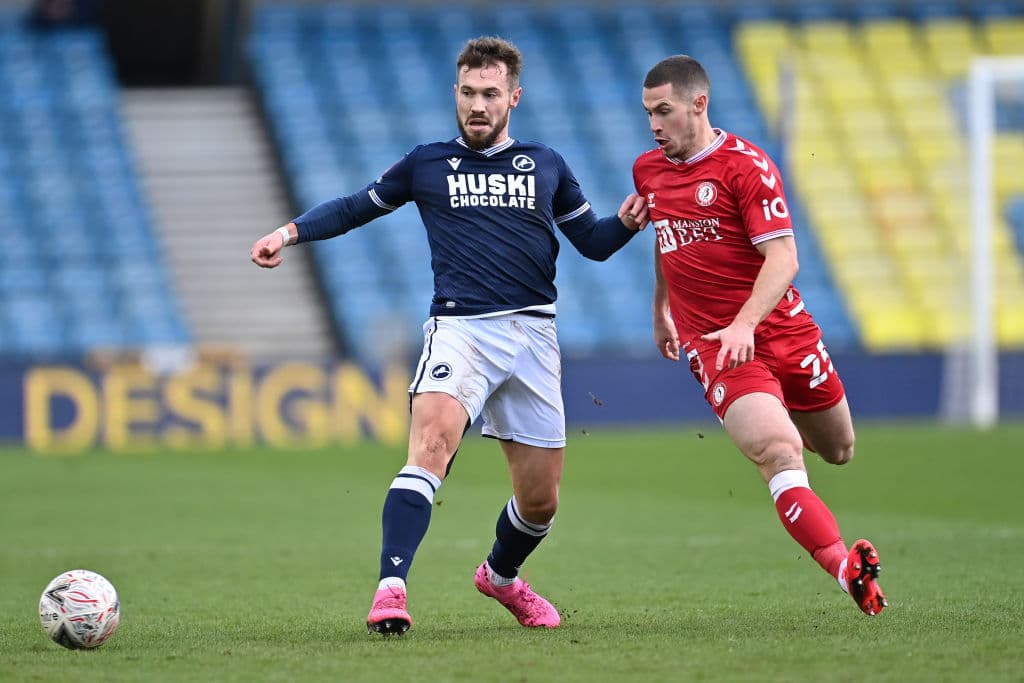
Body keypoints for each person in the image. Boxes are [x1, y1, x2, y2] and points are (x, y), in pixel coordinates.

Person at [251, 36, 648, 634]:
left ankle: (501, 578)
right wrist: (289, 233)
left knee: (540, 502)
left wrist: (625, 222)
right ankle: (391, 589)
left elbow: (590, 244)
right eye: (468, 93)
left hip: (534, 336)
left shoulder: (545, 164)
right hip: (459, 330)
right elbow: (357, 206)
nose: (478, 105)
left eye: (490, 94)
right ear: (455, 94)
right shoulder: (428, 163)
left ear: (514, 97)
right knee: (430, 446)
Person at [632, 55, 887, 616]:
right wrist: (661, 308)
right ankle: (848, 569)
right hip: (717, 345)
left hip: (782, 329)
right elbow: (667, 236)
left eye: (663, 111)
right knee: (778, 449)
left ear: (699, 103)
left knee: (838, 449)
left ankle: (772, 403)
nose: (653, 124)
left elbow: (785, 257)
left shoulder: (747, 167)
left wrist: (749, 321)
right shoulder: (648, 170)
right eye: (648, 112)